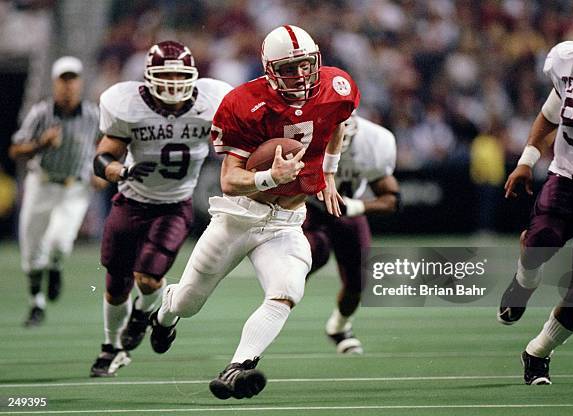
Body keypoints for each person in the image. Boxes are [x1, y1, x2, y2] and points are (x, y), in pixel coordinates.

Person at [149, 25, 360, 400]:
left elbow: (338, 124)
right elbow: (230, 180)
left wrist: (328, 171)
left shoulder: (336, 87)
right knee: (188, 303)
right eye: (289, 68)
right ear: (269, 69)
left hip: (286, 222)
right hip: (239, 215)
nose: (300, 75)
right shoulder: (245, 102)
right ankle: (164, 313)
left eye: (305, 64)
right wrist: (269, 176)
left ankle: (238, 367)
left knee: (287, 291)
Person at [89, 40, 232, 377]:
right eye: (164, 75)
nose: (171, 83)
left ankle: (141, 316)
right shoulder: (127, 104)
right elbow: (102, 157)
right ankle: (112, 347)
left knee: (149, 278)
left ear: (193, 76)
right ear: (148, 77)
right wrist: (120, 170)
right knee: (115, 283)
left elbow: (238, 142)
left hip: (173, 205)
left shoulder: (213, 101)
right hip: (130, 200)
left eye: (178, 75)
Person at [500, 3, 573, 385]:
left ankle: (538, 351)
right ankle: (524, 283)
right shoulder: (568, 60)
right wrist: (526, 160)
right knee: (540, 241)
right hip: (567, 175)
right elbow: (550, 113)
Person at [9, 56, 101, 327]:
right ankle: (36, 302)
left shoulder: (93, 114)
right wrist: (41, 144)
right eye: (63, 80)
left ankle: (56, 266)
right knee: (31, 247)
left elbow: (109, 144)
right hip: (42, 183)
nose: (68, 86)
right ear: (55, 83)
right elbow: (16, 149)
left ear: (80, 83)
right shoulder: (41, 113)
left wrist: (101, 170)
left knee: (59, 241)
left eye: (73, 80)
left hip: (75, 187)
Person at [303, 114, 399, 354]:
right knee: (309, 256)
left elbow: (393, 199)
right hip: (306, 208)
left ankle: (339, 327)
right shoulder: (298, 132)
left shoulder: (374, 141)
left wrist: (354, 207)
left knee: (358, 283)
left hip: (348, 211)